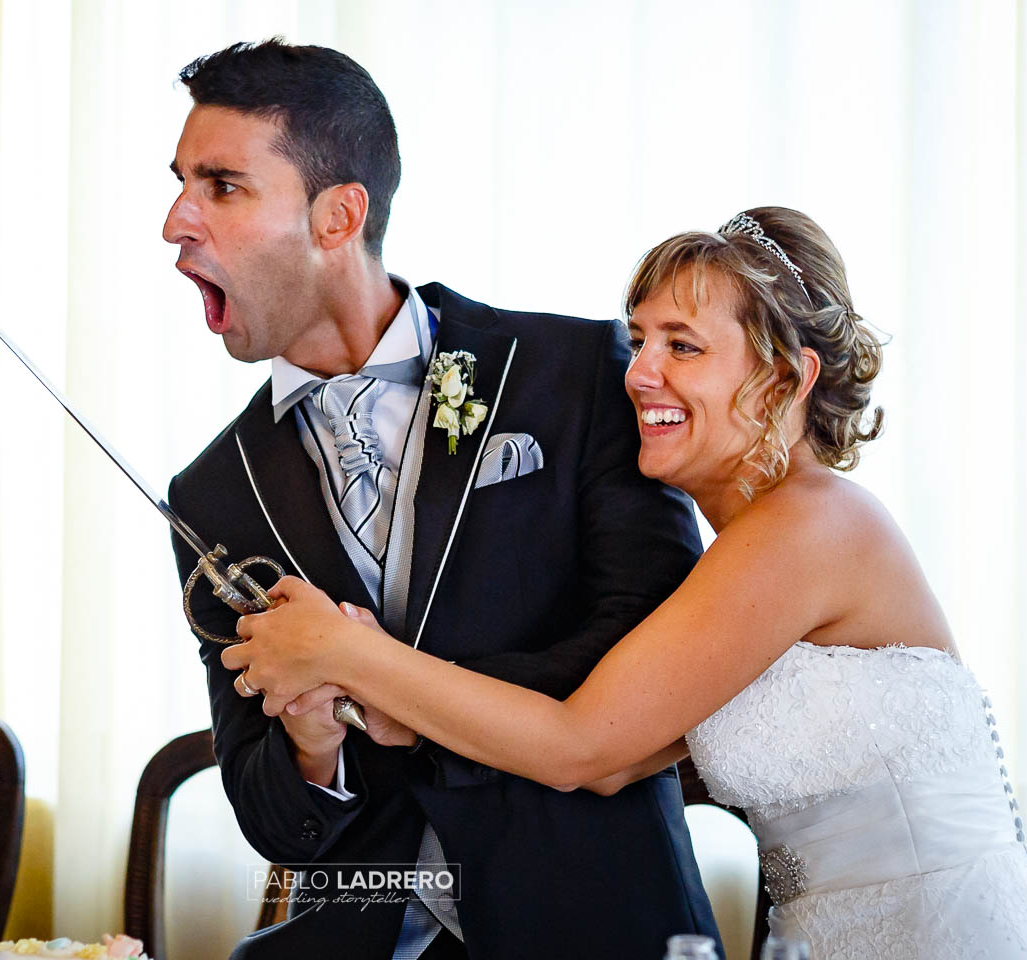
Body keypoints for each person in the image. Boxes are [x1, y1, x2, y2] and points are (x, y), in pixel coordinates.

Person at [226, 207, 1027, 957]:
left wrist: (346, 652)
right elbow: (611, 764)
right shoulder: (746, 557)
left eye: (683, 346)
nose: (638, 373)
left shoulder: (811, 526)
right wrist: (394, 715)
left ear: (787, 377)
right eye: (639, 341)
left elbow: (578, 746)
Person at [164, 39, 720, 960]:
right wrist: (309, 743)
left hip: (599, 929)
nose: (178, 220)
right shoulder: (213, 491)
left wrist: (394, 689)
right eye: (182, 183)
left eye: (222, 186)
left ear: (340, 215)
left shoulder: (571, 376)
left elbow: (652, 655)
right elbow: (271, 817)